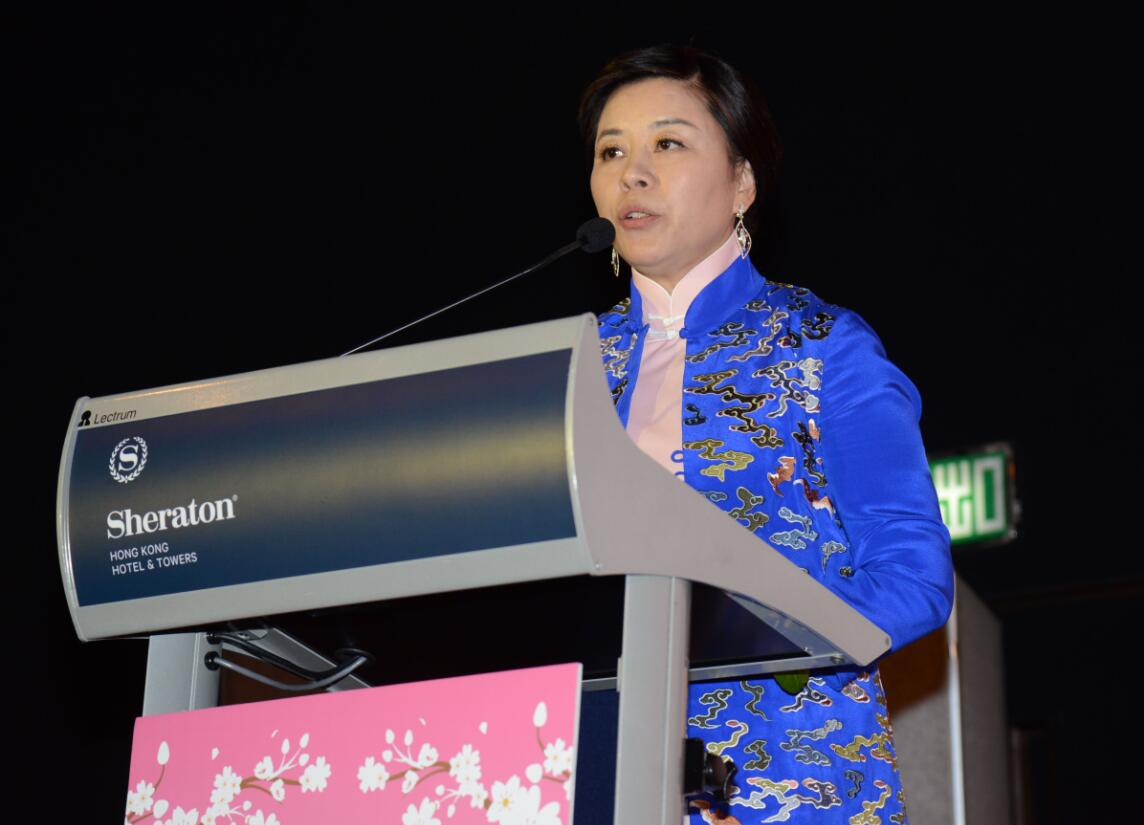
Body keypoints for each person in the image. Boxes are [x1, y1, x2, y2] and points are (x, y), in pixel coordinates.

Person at [580, 45, 954, 823]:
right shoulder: (566, 368)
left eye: (667, 143)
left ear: (742, 183)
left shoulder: (821, 346)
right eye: (611, 151)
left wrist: (768, 630)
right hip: (596, 766)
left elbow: (914, 575)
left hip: (786, 769)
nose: (632, 173)